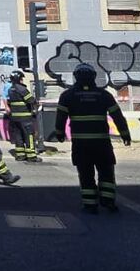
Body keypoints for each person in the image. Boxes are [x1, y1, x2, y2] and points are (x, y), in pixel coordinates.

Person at [54, 63, 131, 214]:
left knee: (86, 174)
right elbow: (117, 116)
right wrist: (125, 134)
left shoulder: (67, 96)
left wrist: (59, 134)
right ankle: (108, 201)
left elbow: (60, 118)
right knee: (106, 172)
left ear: (76, 77)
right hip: (102, 143)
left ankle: (90, 204)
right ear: (93, 77)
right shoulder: (104, 95)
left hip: (81, 144)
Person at [7, 71, 40, 163]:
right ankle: (31, 156)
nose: (22, 80)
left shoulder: (11, 89)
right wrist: (36, 102)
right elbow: (30, 100)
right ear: (18, 79)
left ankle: (20, 155)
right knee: (29, 135)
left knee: (18, 136)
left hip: (15, 119)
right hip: (25, 118)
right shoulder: (22, 89)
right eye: (21, 78)